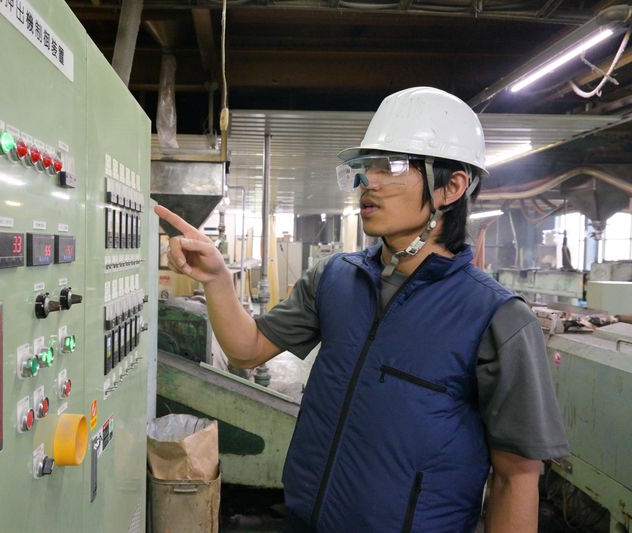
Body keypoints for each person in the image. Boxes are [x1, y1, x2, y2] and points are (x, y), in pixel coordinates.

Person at [155, 87, 568, 533]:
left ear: (451, 186)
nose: (368, 181)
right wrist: (217, 279)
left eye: (391, 166)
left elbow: (515, 478)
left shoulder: (496, 319)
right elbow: (247, 349)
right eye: (365, 166)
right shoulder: (336, 279)